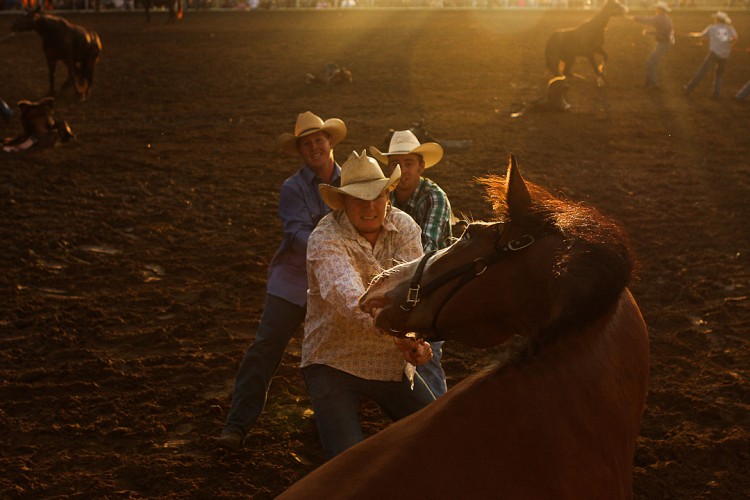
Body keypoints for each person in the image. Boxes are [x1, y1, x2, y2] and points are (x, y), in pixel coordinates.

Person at [217, 111, 347, 451]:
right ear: (301, 151)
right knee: (265, 347)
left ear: (330, 142)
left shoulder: (352, 183)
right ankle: (237, 425)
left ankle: (329, 423)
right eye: (307, 144)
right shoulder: (292, 188)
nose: (315, 147)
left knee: (332, 356)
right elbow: (295, 233)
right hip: (294, 280)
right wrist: (332, 251)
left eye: (319, 140)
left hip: (334, 282)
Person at [302, 150, 435, 459]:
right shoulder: (325, 238)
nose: (370, 207)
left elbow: (412, 292)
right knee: (348, 460)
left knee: (437, 432)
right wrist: (398, 334)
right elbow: (348, 297)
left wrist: (416, 339)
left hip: (388, 363)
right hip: (334, 359)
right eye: (359, 199)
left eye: (377, 196)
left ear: (388, 195)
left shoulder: (405, 228)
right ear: (343, 202)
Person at [370, 129, 451, 398]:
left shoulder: (434, 197)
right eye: (395, 163)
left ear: (421, 166)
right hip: (399, 281)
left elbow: (426, 248)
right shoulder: (384, 196)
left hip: (432, 283)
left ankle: (434, 410)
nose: (402, 170)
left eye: (409, 163)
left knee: (426, 355)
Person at [683, 11, 738, 99]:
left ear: (717, 19)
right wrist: (730, 45)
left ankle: (689, 89)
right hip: (725, 55)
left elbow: (701, 35)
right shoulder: (730, 28)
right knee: (719, 75)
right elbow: (735, 38)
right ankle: (716, 93)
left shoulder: (712, 28)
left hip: (714, 54)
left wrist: (692, 35)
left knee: (701, 72)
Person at [628, 1, 674, 90]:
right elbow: (662, 32)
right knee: (652, 62)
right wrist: (649, 32)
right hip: (665, 43)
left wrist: (635, 18)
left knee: (650, 62)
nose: (655, 10)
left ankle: (653, 83)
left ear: (659, 9)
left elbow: (648, 20)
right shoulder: (667, 19)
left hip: (663, 43)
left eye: (657, 8)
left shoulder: (659, 18)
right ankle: (649, 82)